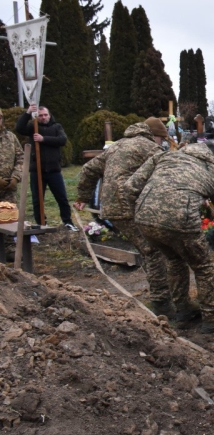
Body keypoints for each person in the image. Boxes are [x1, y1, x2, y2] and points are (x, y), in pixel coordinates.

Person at [123, 142, 214, 332]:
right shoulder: (210, 171)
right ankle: (212, 317)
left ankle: (183, 310)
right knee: (203, 267)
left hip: (144, 219)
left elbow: (130, 186)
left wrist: (143, 209)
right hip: (180, 220)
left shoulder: (164, 157)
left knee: (174, 261)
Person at [75, 119, 177, 317]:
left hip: (112, 207)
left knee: (149, 249)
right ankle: (162, 305)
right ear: (155, 136)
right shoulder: (149, 147)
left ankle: (162, 294)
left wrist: (82, 196)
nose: (160, 143)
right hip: (130, 206)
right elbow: (168, 172)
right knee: (153, 250)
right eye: (161, 139)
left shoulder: (117, 146)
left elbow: (89, 169)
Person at [15, 104, 76, 229]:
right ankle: (41, 223)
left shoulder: (56, 127)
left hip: (54, 170)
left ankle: (68, 222)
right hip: (37, 170)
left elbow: (62, 140)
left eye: (45, 115)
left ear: (49, 115)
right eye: (41, 115)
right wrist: (27, 113)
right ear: (37, 117)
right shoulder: (33, 128)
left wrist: (43, 139)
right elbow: (19, 128)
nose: (43, 117)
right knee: (38, 200)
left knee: (62, 198)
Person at [0, 108, 23, 261]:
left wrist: (15, 177)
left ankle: (10, 248)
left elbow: (20, 157)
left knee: (9, 216)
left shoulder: (10, 137)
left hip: (8, 187)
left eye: (0, 118)